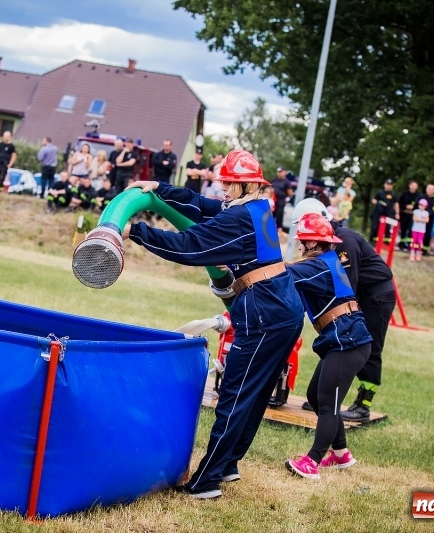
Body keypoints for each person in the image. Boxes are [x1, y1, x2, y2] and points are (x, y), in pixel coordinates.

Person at [123, 150, 305, 499]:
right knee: (254, 394)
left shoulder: (239, 219)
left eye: (228, 183)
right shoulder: (256, 208)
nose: (221, 187)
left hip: (265, 312)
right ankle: (228, 464)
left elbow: (190, 247)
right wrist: (161, 188)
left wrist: (136, 231)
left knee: (235, 395)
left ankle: (205, 481)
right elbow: (202, 205)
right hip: (283, 308)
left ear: (246, 184)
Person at [284, 213, 372, 480]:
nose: (299, 244)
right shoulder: (325, 261)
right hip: (342, 339)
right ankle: (341, 454)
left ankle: (311, 462)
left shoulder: (318, 266)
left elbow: (280, 273)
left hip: (348, 342)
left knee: (327, 404)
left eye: (302, 240)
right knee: (316, 396)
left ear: (312, 244)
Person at [291, 198, 395, 422]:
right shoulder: (329, 241)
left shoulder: (344, 241)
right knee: (338, 340)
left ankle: (363, 405)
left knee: (369, 345)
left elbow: (349, 283)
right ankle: (324, 395)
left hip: (376, 297)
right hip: (360, 294)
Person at [398, 180, 420, 251]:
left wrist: (413, 207)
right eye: (412, 185)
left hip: (413, 216)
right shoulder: (404, 194)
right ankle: (401, 244)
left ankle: (408, 245)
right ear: (409, 185)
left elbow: (420, 206)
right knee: (403, 229)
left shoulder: (418, 196)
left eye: (415, 185)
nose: (414, 187)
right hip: (404, 214)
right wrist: (406, 206)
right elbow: (399, 204)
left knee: (411, 230)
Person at [271, 167, 293, 234]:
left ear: (284, 172)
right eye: (278, 172)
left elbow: (290, 193)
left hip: (281, 201)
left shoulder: (287, 182)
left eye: (281, 172)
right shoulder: (275, 180)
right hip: (273, 200)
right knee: (271, 215)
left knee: (279, 215)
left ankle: (279, 230)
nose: (279, 173)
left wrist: (287, 199)